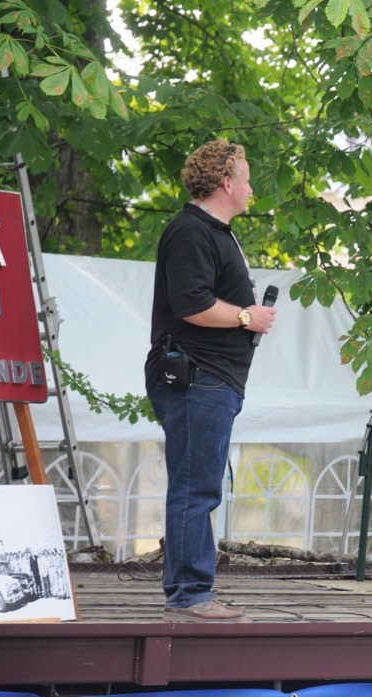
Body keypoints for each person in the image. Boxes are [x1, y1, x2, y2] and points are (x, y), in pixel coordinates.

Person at [144, 139, 276, 622]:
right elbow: (193, 304)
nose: (251, 188)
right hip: (197, 376)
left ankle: (192, 589)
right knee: (196, 487)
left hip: (211, 378)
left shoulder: (213, 232)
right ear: (226, 182)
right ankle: (189, 594)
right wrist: (246, 316)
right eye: (246, 179)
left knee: (200, 485)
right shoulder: (191, 232)